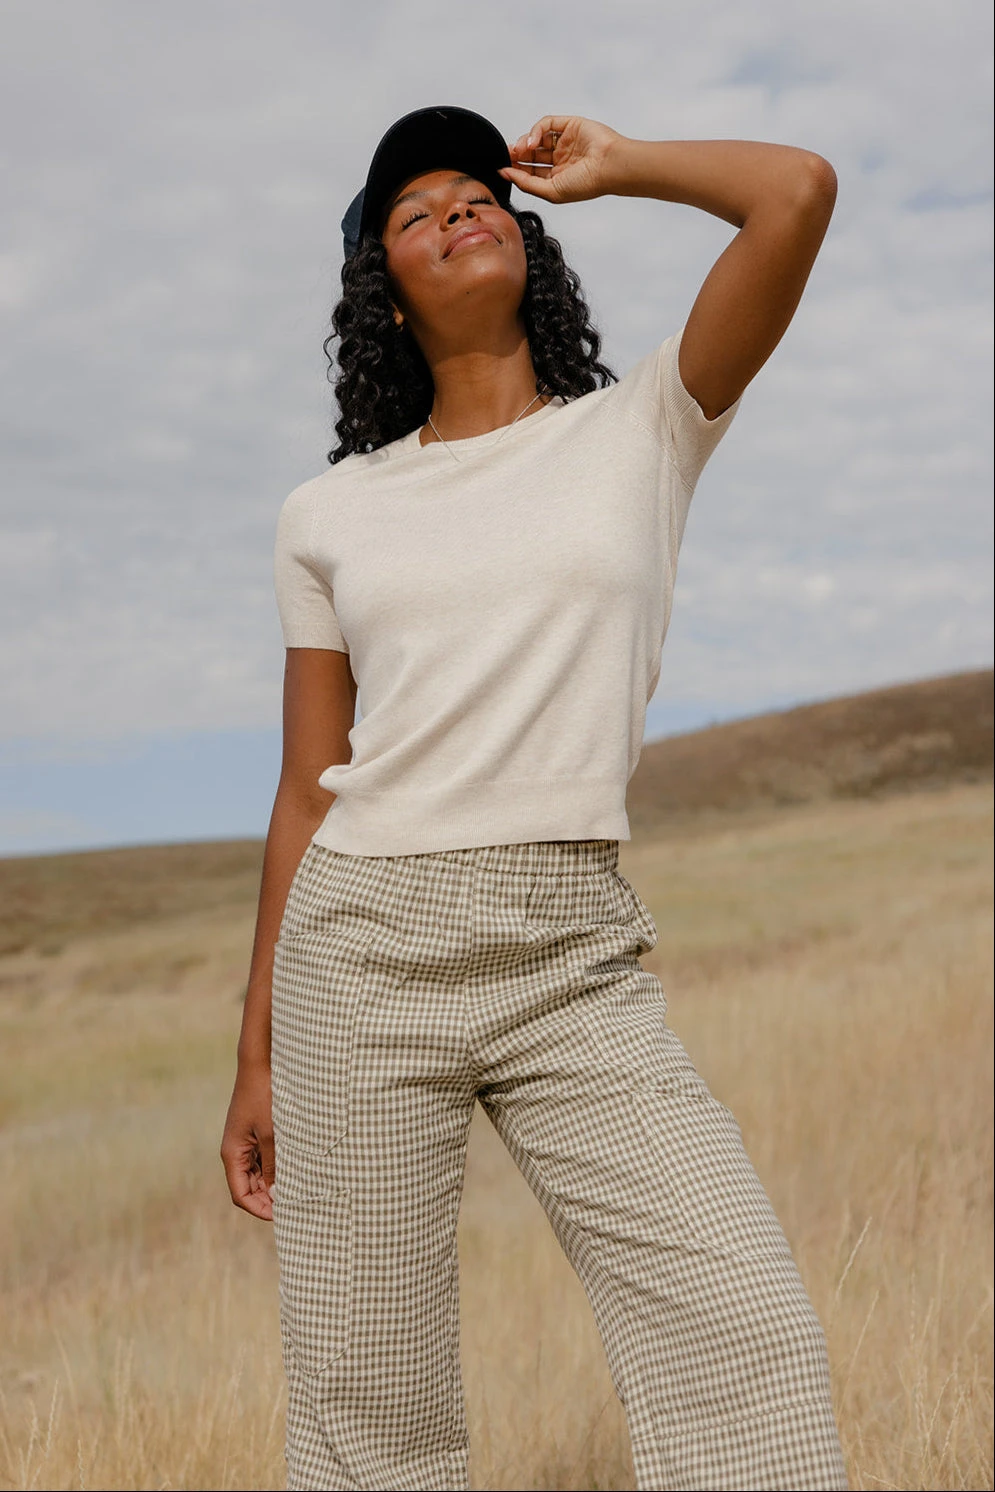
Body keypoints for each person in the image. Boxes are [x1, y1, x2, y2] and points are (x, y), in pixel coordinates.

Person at [220, 105, 846, 1492]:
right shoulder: (328, 515)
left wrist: (618, 167)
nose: (457, 211)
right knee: (368, 1411)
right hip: (358, 951)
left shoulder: (644, 426)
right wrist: (256, 1054)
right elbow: (302, 797)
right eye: (414, 212)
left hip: (571, 951)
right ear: (381, 295)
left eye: (474, 192)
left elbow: (793, 193)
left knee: (749, 1343)